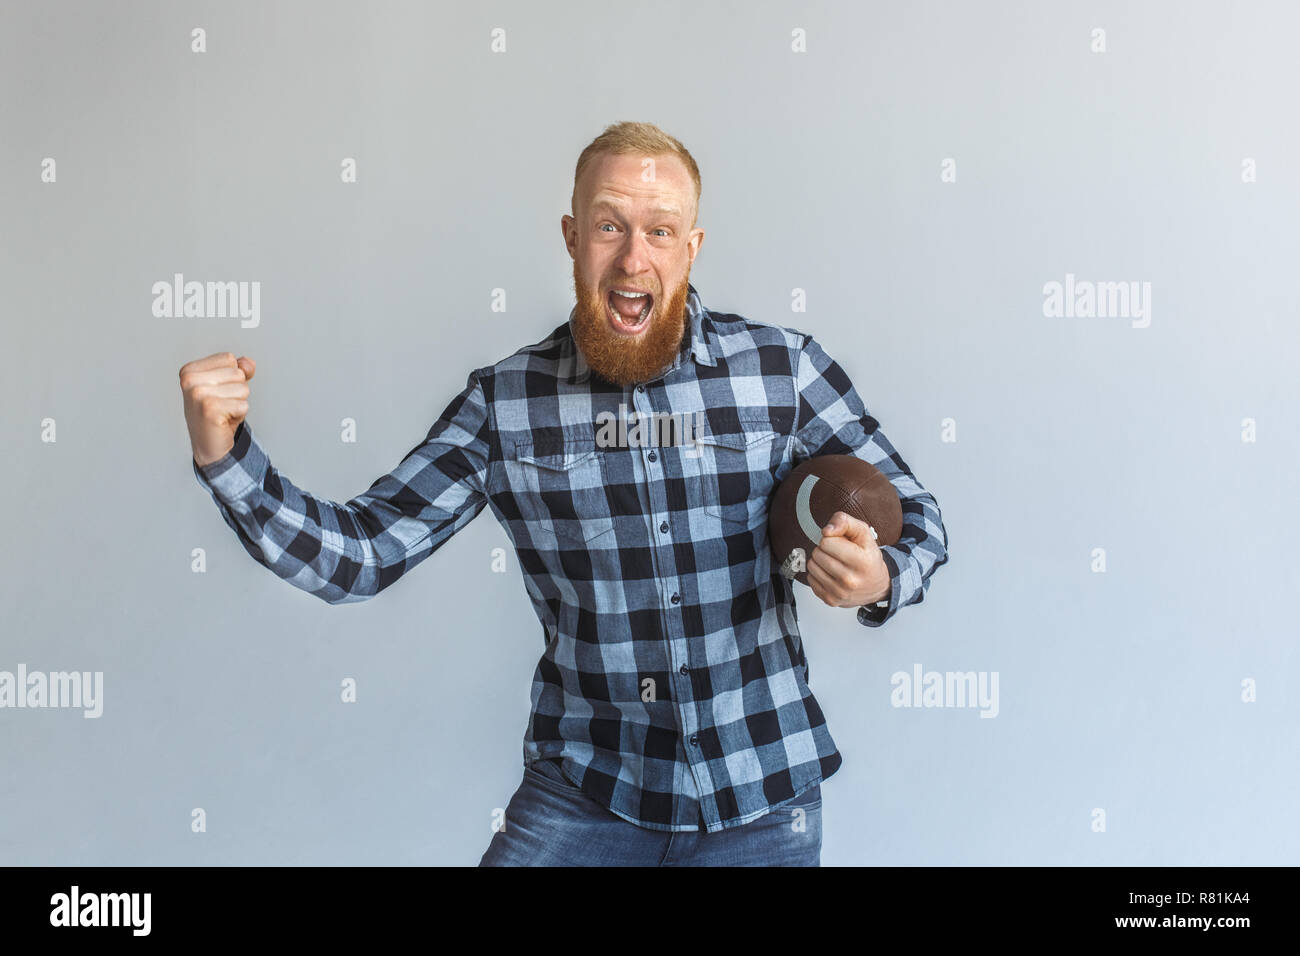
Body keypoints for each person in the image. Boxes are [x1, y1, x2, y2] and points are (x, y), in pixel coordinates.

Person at [179, 121, 949, 866]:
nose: (633, 258)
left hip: (762, 798)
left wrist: (882, 577)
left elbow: (920, 520)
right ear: (572, 238)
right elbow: (363, 555)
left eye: (660, 230)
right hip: (587, 796)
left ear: (693, 247)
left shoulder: (782, 373)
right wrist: (227, 458)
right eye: (609, 226)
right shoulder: (506, 404)